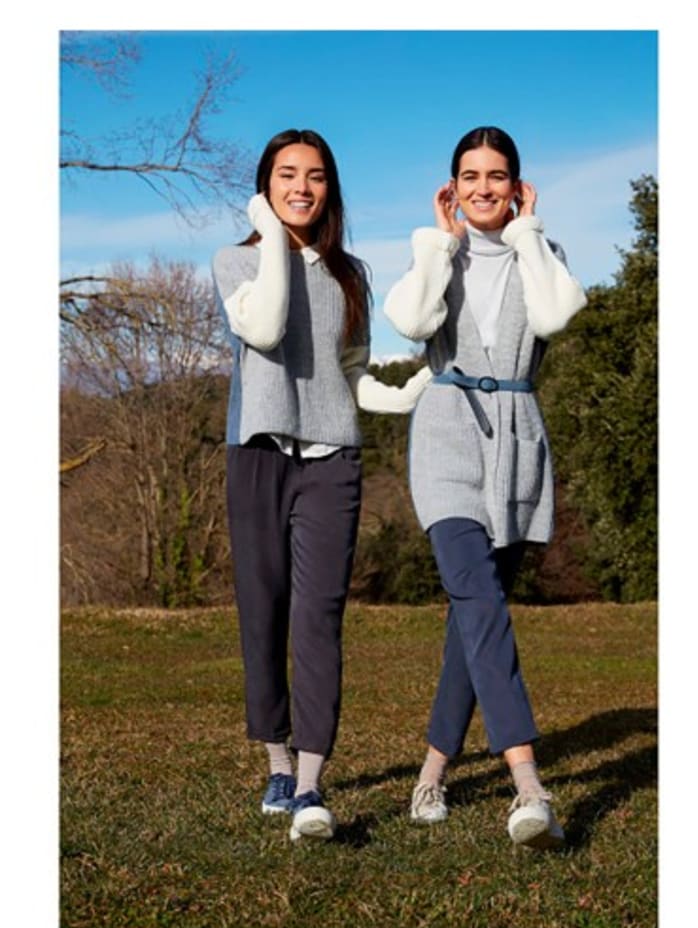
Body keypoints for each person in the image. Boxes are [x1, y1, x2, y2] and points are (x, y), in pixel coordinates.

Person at [212, 129, 431, 843]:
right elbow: (266, 327)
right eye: (286, 174)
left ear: (329, 187)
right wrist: (273, 236)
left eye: (314, 176)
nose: (301, 187)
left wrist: (408, 391)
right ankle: (277, 763)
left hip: (333, 461)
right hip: (258, 455)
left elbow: (353, 372)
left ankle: (309, 783)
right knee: (263, 613)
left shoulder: (350, 273)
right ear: (265, 186)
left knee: (318, 619)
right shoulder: (235, 262)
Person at [383, 126, 587, 849]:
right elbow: (410, 321)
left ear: (518, 186)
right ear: (451, 187)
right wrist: (439, 245)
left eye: (496, 175)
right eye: (469, 176)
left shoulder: (543, 253)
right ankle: (528, 786)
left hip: (517, 447)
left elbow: (557, 316)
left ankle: (431, 773)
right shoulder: (436, 253)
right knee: (479, 601)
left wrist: (529, 234)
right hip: (446, 440)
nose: (482, 188)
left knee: (473, 621)